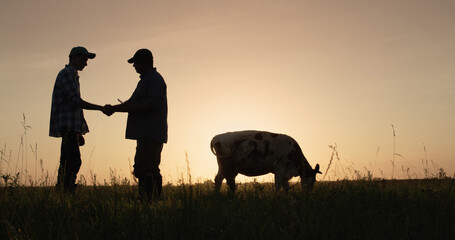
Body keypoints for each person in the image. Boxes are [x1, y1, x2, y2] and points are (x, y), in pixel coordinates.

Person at [104, 49, 168, 200]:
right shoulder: (146, 80)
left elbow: (155, 103)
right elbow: (131, 102)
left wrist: (132, 109)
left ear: (144, 62)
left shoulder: (154, 79)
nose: (134, 66)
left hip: (150, 132)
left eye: (136, 63)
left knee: (143, 168)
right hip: (147, 132)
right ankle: (154, 201)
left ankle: (147, 200)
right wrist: (113, 108)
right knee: (150, 168)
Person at [50, 46, 108, 193]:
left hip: (71, 128)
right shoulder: (68, 74)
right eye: (84, 59)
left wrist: (79, 133)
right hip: (68, 127)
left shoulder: (71, 75)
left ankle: (62, 192)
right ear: (74, 57)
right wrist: (101, 108)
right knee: (73, 161)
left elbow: (74, 105)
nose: (86, 63)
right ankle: (66, 191)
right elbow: (76, 102)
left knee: (67, 161)